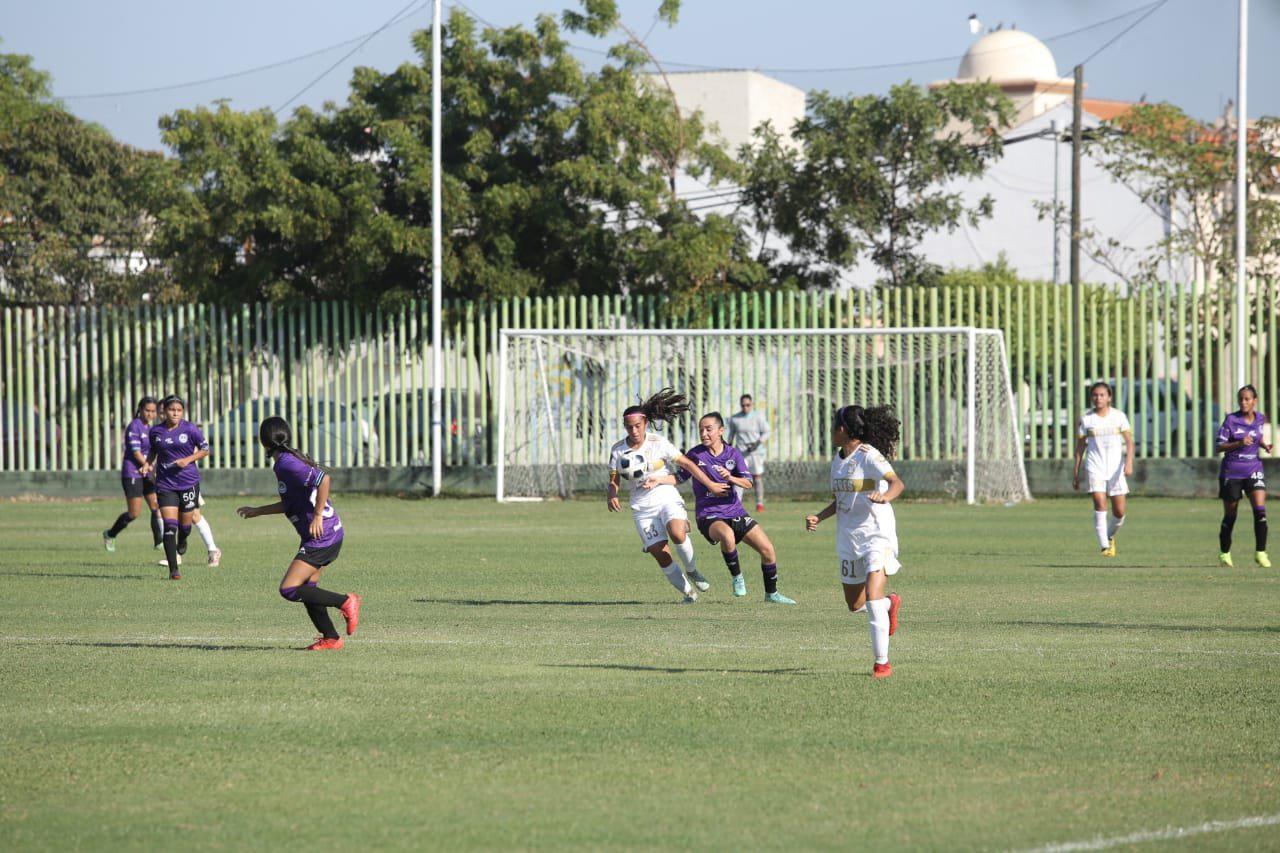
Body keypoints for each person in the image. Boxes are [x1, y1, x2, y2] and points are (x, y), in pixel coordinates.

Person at [237, 416, 360, 651]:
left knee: (290, 588)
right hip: (328, 534)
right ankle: (331, 638)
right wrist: (258, 511)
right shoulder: (285, 461)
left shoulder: (286, 464)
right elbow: (291, 503)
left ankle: (346, 601)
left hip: (322, 536)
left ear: (262, 442)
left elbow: (324, 480)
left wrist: (316, 516)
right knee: (308, 588)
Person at [805, 405, 904, 678]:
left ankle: (881, 663)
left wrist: (885, 496)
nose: (831, 430)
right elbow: (841, 500)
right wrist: (819, 516)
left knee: (872, 598)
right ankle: (889, 604)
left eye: (834, 425)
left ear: (842, 429)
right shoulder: (837, 462)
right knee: (855, 605)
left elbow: (896, 483)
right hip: (849, 537)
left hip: (876, 534)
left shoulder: (869, 455)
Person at [607, 389, 729, 603]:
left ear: (645, 423)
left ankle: (692, 570)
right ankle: (689, 594)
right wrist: (612, 493)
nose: (634, 430)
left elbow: (687, 464)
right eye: (629, 427)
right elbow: (615, 475)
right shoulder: (618, 450)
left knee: (677, 532)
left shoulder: (658, 442)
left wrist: (710, 483)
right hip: (641, 506)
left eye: (637, 425)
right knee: (660, 554)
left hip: (665, 496)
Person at [667, 412, 796, 604]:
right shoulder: (694, 454)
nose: (704, 433)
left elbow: (748, 483)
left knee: (768, 550)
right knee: (727, 536)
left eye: (708, 429)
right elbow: (679, 477)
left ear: (720, 431)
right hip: (709, 515)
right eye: (701, 429)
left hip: (735, 511)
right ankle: (737, 578)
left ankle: (772, 594)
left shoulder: (733, 454)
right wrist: (658, 480)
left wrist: (730, 477)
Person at [147, 396, 211, 580]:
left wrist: (188, 460)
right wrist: (148, 464)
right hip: (165, 485)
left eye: (179, 410)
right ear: (164, 411)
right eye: (171, 410)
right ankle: (174, 570)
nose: (175, 413)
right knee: (169, 526)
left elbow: (205, 449)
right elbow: (154, 450)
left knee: (185, 526)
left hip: (189, 483)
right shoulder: (156, 431)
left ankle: (183, 540)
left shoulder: (190, 429)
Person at [1072, 382, 1135, 557]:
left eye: (1102, 395)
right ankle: (1104, 546)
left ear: (1109, 397)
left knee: (1119, 511)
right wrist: (1075, 473)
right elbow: (1080, 448)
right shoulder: (1086, 420)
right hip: (1095, 466)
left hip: (1115, 467)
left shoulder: (1119, 417)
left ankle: (1109, 536)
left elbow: (1129, 442)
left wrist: (1129, 463)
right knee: (1100, 502)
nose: (1098, 398)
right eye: (1095, 395)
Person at [1216, 384, 1272, 567]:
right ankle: (1225, 553)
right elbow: (1219, 446)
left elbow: (1257, 436)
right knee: (1231, 515)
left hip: (1254, 468)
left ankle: (1261, 553)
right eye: (1240, 399)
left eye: (1247, 399)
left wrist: (1264, 445)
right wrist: (1239, 443)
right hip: (1232, 472)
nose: (1243, 402)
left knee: (1260, 511)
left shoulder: (1260, 418)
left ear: (1254, 401)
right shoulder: (1231, 420)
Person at [103, 396, 164, 553]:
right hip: (133, 474)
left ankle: (159, 542)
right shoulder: (134, 427)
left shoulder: (150, 428)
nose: (150, 414)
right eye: (147, 410)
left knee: (156, 507)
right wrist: (148, 466)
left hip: (146, 472)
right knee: (134, 513)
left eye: (153, 411)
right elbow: (136, 453)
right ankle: (110, 534)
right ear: (140, 409)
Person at [727, 394, 769, 512]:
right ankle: (736, 503)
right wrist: (728, 447)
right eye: (743, 405)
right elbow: (731, 435)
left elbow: (766, 432)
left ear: (751, 405)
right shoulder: (735, 418)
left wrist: (757, 443)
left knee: (756, 477)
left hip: (755, 453)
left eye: (748, 405)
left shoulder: (758, 417)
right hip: (741, 453)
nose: (745, 407)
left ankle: (759, 503)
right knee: (739, 477)